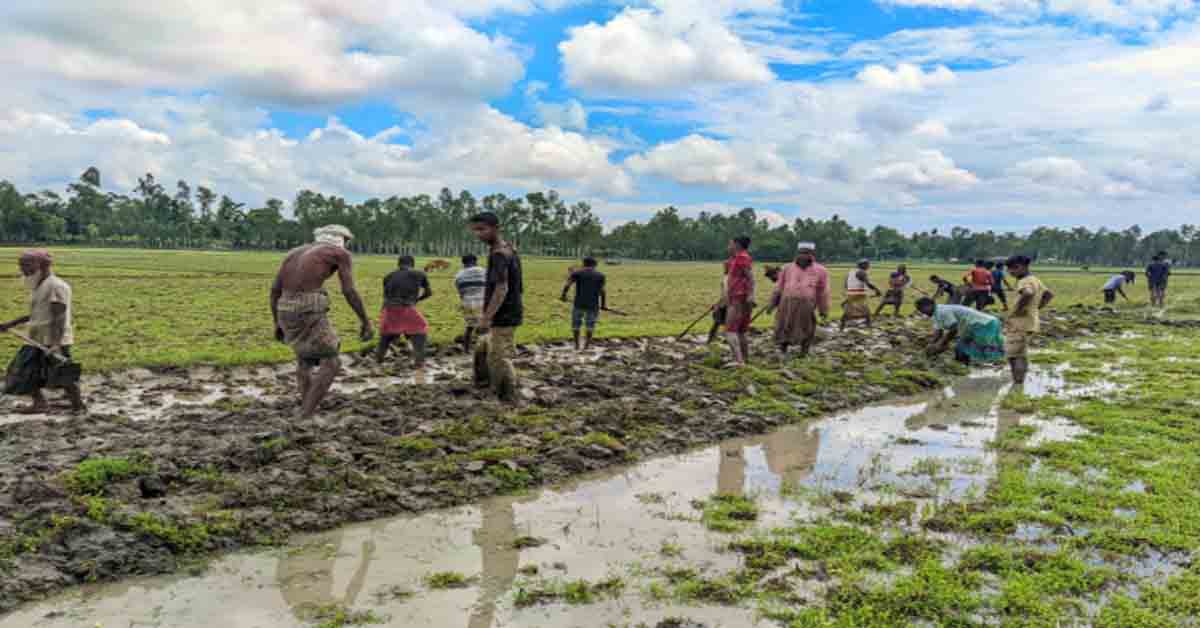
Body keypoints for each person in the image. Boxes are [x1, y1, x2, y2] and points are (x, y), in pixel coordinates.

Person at [271, 225, 374, 420]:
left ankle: (306, 407)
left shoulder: (294, 252)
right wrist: (365, 321)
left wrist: (277, 322)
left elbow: (275, 289)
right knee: (332, 362)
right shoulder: (339, 253)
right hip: (308, 306)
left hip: (284, 306)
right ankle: (306, 414)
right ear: (342, 240)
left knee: (305, 359)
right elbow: (349, 290)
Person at [1, 249, 86, 414]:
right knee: (22, 371)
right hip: (36, 338)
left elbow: (59, 317)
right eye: (21, 265)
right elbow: (37, 313)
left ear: (42, 265)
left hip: (53, 340)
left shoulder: (56, 286)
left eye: (27, 265)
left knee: (64, 374)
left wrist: (56, 344)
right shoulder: (39, 286)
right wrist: (11, 324)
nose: (23, 269)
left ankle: (78, 407)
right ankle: (40, 403)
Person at [469, 212, 523, 402]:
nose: (478, 234)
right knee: (483, 348)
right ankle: (484, 384)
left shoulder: (499, 254)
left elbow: (501, 288)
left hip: (504, 313)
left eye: (482, 229)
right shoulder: (506, 248)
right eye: (475, 230)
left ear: (496, 228)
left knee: (498, 357)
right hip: (506, 309)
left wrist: (486, 318)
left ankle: (508, 397)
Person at [770, 242, 830, 357]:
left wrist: (823, 309)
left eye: (806, 253)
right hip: (787, 302)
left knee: (807, 327)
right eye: (801, 253)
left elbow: (823, 292)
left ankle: (804, 352)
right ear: (797, 253)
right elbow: (779, 286)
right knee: (784, 325)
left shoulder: (821, 270)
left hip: (807, 304)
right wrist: (772, 302)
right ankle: (783, 350)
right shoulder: (787, 268)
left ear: (812, 254)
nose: (803, 256)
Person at [1004, 255, 1054, 386]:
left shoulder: (1024, 281)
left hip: (1019, 324)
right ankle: (1020, 382)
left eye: (1013, 268)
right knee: (1021, 353)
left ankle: (1017, 383)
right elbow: (1049, 295)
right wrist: (1036, 308)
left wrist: (1017, 310)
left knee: (1014, 355)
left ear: (1022, 267)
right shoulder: (1035, 279)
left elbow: (1028, 293)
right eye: (1009, 269)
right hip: (1030, 322)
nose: (1010, 272)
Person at [377, 256, 432, 368]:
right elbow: (428, 293)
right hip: (406, 307)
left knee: (386, 335)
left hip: (388, 309)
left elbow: (386, 296)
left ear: (398, 264)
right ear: (412, 264)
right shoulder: (419, 274)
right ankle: (419, 363)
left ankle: (378, 360)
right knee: (420, 330)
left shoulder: (388, 276)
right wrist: (417, 300)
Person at [915, 297, 1005, 365]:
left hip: (984, 324)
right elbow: (938, 332)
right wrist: (931, 344)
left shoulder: (942, 311)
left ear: (930, 305)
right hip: (978, 325)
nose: (922, 312)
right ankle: (964, 365)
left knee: (980, 347)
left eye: (922, 309)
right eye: (919, 310)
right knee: (962, 347)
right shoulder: (935, 314)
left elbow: (954, 329)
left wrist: (941, 343)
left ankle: (995, 363)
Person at [721, 236, 755, 365]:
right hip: (738, 296)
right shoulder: (736, 259)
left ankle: (739, 362)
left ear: (737, 245)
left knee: (730, 331)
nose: (728, 246)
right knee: (741, 331)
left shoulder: (742, 258)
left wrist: (751, 294)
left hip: (738, 297)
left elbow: (750, 277)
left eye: (730, 244)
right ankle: (745, 360)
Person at [561, 257, 607, 351]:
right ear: (595, 265)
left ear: (584, 264)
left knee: (576, 324)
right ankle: (586, 346)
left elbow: (567, 285)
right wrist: (603, 305)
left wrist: (563, 296)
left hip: (578, 303)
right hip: (593, 304)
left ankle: (577, 345)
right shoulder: (600, 275)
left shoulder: (577, 273)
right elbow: (602, 291)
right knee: (590, 325)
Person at [454, 254, 487, 354]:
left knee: (470, 326)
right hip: (482, 301)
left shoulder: (459, 275)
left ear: (463, 263)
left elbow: (461, 293)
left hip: (467, 302)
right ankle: (484, 349)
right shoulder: (483, 271)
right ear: (475, 261)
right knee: (485, 327)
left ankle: (466, 349)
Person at [841, 259, 881, 331]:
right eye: (867, 265)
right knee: (866, 311)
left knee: (849, 311)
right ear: (863, 265)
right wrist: (877, 290)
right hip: (858, 294)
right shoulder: (862, 272)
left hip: (851, 293)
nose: (868, 266)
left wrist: (849, 293)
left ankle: (841, 327)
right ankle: (869, 327)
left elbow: (846, 284)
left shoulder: (851, 272)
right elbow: (868, 283)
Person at [707, 262, 730, 345]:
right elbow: (724, 293)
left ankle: (711, 339)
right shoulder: (727, 277)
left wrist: (718, 304)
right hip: (726, 303)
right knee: (720, 322)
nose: (724, 268)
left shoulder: (728, 278)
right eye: (724, 267)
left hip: (727, 304)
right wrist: (718, 303)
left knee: (718, 321)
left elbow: (726, 294)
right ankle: (712, 338)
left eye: (726, 267)